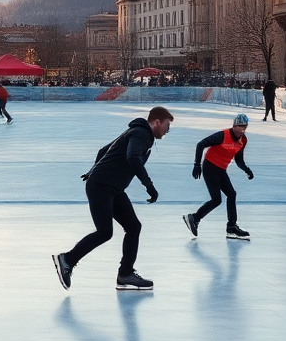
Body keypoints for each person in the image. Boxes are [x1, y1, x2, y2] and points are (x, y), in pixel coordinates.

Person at [52, 107, 172, 292]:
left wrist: (94, 171)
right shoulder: (141, 133)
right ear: (157, 122)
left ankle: (125, 274)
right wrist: (148, 184)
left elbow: (103, 151)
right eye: (167, 125)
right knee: (104, 232)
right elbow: (132, 156)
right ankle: (67, 259)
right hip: (102, 187)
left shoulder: (135, 132)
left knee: (133, 227)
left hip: (111, 188)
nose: (167, 130)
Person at [183, 114, 254, 240]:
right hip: (210, 167)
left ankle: (232, 227)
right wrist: (197, 164)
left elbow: (239, 160)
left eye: (245, 126)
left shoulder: (243, 140)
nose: (242, 129)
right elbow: (201, 144)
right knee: (216, 200)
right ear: (234, 126)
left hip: (221, 169)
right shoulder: (223, 135)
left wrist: (247, 170)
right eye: (239, 126)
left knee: (231, 194)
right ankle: (194, 218)